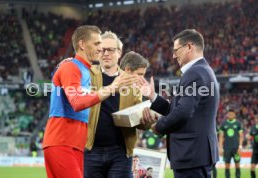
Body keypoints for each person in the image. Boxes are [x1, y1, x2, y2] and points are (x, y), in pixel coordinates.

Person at [42, 26, 136, 178]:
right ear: (82, 44)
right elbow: (77, 102)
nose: (101, 49)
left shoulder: (84, 70)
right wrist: (111, 88)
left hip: (76, 145)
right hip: (62, 142)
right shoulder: (70, 67)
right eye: (97, 44)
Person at [140, 29, 220, 178]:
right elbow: (178, 108)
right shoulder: (202, 71)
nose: (173, 55)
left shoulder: (195, 73)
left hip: (192, 154)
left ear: (189, 47)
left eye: (176, 50)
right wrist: (153, 96)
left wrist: (158, 127)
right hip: (196, 154)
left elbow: (183, 112)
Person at [84, 31, 154, 178]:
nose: (106, 54)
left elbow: (138, 119)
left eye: (111, 49)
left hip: (121, 153)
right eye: (102, 50)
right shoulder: (86, 75)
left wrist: (146, 121)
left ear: (119, 52)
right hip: (91, 151)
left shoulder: (130, 80)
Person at [219, 110, 243, 178]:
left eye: (232, 114)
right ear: (227, 115)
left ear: (234, 115)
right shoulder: (223, 123)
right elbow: (221, 136)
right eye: (229, 114)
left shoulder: (238, 123)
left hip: (236, 148)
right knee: (227, 165)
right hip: (227, 148)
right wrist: (220, 148)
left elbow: (241, 136)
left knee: (237, 164)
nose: (230, 116)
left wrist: (240, 146)